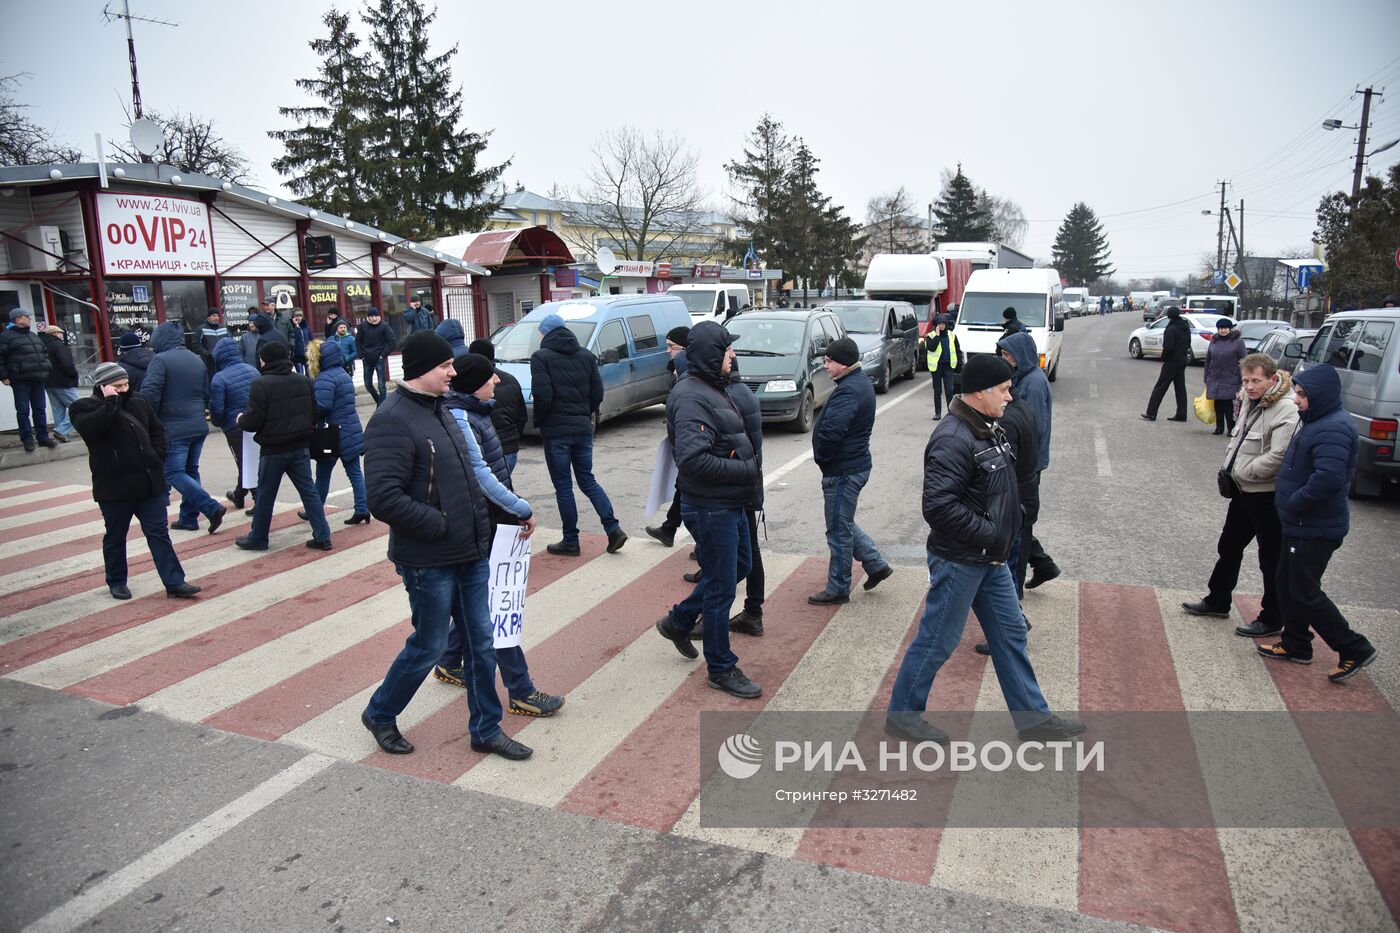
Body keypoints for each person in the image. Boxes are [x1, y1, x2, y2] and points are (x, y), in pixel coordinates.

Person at [887, 354, 1085, 744]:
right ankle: (903, 716)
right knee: (938, 639)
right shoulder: (953, 437)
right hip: (961, 560)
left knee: (1011, 634)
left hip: (988, 559)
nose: (1010, 396)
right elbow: (938, 507)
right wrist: (991, 533)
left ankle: (1034, 721)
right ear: (979, 392)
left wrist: (1012, 522)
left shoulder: (988, 427)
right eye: (1003, 389)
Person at [360, 331, 532, 761]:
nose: (453, 372)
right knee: (431, 645)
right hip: (428, 559)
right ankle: (380, 713)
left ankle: (486, 729)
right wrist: (438, 524)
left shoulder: (443, 410)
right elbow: (382, 496)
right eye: (445, 367)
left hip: (470, 552)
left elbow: (473, 475)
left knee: (482, 644)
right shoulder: (392, 419)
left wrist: (499, 517)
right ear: (422, 371)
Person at [432, 353, 563, 717]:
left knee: (482, 606)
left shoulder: (474, 413)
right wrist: (519, 508)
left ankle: (446, 658)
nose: (498, 382)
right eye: (491, 377)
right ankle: (520, 691)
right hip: (478, 525)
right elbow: (480, 475)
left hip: (487, 521)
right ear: (475, 382)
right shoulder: (461, 417)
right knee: (495, 609)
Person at [653, 322, 763, 698]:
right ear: (711, 355)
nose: (733, 355)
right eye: (727, 349)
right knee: (720, 589)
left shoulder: (712, 387)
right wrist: (746, 470)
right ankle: (721, 667)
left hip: (729, 502)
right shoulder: (690, 396)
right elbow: (693, 460)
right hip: (711, 507)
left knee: (742, 567)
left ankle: (679, 620)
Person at [1257, 365, 1378, 681]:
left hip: (1314, 527)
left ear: (1320, 396)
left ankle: (1353, 647)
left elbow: (1329, 479)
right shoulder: (1317, 421)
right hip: (1300, 523)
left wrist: (1294, 503)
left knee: (1305, 592)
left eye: (1302, 395)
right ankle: (1297, 644)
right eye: (1296, 393)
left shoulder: (1333, 428)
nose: (1296, 400)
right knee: (1286, 583)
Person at [1183, 354, 1299, 637]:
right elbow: (1240, 439)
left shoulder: (1286, 409)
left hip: (1266, 495)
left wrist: (1244, 472)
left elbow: (1280, 456)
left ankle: (1272, 618)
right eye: (1246, 380)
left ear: (1272, 379)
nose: (1249, 386)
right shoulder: (1251, 400)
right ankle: (1218, 600)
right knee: (1229, 546)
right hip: (1243, 491)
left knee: (1270, 559)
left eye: (1256, 380)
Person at [69, 362, 201, 601]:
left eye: (126, 384)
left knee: (159, 533)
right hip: (114, 486)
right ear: (103, 386)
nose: (123, 389)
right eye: (117, 386)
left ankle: (175, 582)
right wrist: (111, 403)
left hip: (149, 483)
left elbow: (157, 431)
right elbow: (91, 429)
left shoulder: (139, 401)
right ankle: (117, 581)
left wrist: (157, 456)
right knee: (116, 536)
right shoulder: (83, 407)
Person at [530, 312, 626, 556]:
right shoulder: (585, 355)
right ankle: (613, 528)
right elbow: (598, 392)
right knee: (588, 480)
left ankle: (571, 541)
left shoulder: (541, 357)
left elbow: (543, 395)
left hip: (557, 430)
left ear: (545, 333)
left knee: (563, 486)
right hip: (583, 427)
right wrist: (586, 413)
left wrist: (540, 422)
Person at [809, 336, 892, 605]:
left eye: (829, 361)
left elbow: (832, 432)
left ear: (843, 364)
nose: (825, 365)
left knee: (838, 531)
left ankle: (838, 587)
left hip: (844, 470)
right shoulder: (855, 383)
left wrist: (823, 458)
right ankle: (875, 564)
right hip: (851, 466)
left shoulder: (849, 390)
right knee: (842, 521)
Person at [234, 342, 332, 552]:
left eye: (261, 357)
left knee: (265, 493)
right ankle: (323, 535)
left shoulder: (260, 384)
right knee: (309, 492)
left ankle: (258, 537)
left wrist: (241, 420)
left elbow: (254, 420)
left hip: (274, 448)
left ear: (266, 359)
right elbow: (314, 411)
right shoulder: (303, 380)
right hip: (300, 445)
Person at [141, 322, 225, 533]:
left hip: (173, 426)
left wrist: (149, 420)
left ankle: (210, 507)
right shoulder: (195, 360)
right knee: (190, 470)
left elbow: (150, 394)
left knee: (172, 472)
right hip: (197, 423)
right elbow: (206, 392)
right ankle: (188, 517)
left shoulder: (160, 360)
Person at [996, 330, 1060, 590]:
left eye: (1007, 354)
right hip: (1029, 462)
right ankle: (1043, 564)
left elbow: (1033, 427)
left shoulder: (1032, 382)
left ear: (1020, 356)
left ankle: (1018, 583)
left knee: (1020, 525)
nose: (1003, 358)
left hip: (1028, 464)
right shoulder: (1027, 377)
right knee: (1020, 523)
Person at [311, 338, 371, 525]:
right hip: (350, 428)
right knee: (354, 473)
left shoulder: (324, 378)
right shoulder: (343, 374)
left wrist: (309, 414)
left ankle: (314, 508)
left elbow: (323, 407)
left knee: (323, 473)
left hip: (331, 433)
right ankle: (362, 508)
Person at [647, 325, 690, 547]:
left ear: (684, 349)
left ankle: (701, 544)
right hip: (682, 443)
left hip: (690, 446)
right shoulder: (677, 372)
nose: (668, 351)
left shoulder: (688, 377)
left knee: (690, 490)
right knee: (685, 487)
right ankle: (669, 529)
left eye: (671, 347)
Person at [208, 337, 260, 512]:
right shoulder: (252, 371)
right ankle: (239, 494)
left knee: (244, 462)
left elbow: (217, 409)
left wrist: (219, 423)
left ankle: (256, 499)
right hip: (256, 421)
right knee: (251, 459)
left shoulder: (219, 378)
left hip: (234, 426)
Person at [0, 308, 55, 451]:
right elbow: (1, 357)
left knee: (40, 409)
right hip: (20, 379)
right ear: (18, 319)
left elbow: (43, 352)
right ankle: (27, 440)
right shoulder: (6, 336)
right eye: (26, 317)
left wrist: (47, 367)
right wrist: (4, 376)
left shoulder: (32, 335)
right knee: (23, 410)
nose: (30, 319)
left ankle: (43, 437)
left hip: (38, 378)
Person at [468, 337, 526, 473]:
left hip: (484, 450)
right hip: (509, 448)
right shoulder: (511, 379)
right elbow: (522, 416)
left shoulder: (470, 382)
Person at [1142, 306, 1191, 422]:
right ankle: (1181, 414)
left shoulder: (1171, 329)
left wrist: (1164, 358)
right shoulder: (1185, 327)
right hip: (1182, 359)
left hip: (1172, 361)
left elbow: (1168, 347)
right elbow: (1188, 343)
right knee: (1180, 388)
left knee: (1160, 386)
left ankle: (1151, 412)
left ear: (1169, 316)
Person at [1203, 317, 1246, 435]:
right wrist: (1206, 377)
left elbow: (1244, 360)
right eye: (1221, 328)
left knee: (1228, 404)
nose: (1223, 331)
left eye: (1225, 328)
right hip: (1215, 376)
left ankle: (1231, 428)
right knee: (1217, 403)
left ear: (1230, 329)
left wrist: (1243, 378)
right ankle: (1219, 427)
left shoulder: (1238, 341)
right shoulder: (1214, 341)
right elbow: (1208, 360)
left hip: (1230, 377)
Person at [41, 325, 80, 443]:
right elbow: (66, 363)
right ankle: (62, 431)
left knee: (58, 410)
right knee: (78, 407)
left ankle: (62, 438)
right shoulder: (58, 345)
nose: (62, 335)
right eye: (60, 333)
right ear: (54, 333)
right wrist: (74, 374)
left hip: (48, 382)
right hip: (63, 381)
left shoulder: (41, 345)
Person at [356, 306, 397, 406]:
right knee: (368, 384)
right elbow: (358, 341)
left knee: (381, 385)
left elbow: (392, 342)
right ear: (368, 317)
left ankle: (381, 406)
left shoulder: (384, 326)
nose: (374, 318)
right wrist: (361, 355)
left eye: (376, 316)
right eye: (372, 316)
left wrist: (382, 355)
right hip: (367, 358)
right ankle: (380, 401)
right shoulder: (363, 326)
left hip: (379, 358)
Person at [924, 314, 961, 421]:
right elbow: (931, 348)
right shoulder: (930, 336)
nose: (941, 326)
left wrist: (959, 366)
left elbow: (957, 351)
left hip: (948, 366)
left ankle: (950, 412)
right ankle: (938, 413)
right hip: (936, 367)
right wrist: (937, 335)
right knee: (937, 390)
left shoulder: (952, 335)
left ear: (946, 324)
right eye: (939, 324)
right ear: (936, 325)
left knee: (949, 390)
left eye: (943, 323)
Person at [289, 308, 313, 375]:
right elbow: (295, 337)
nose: (298, 318)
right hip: (297, 356)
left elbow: (311, 338)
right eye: (296, 316)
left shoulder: (306, 326)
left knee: (309, 375)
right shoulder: (291, 326)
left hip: (307, 354)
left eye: (300, 316)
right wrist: (296, 326)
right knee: (300, 374)